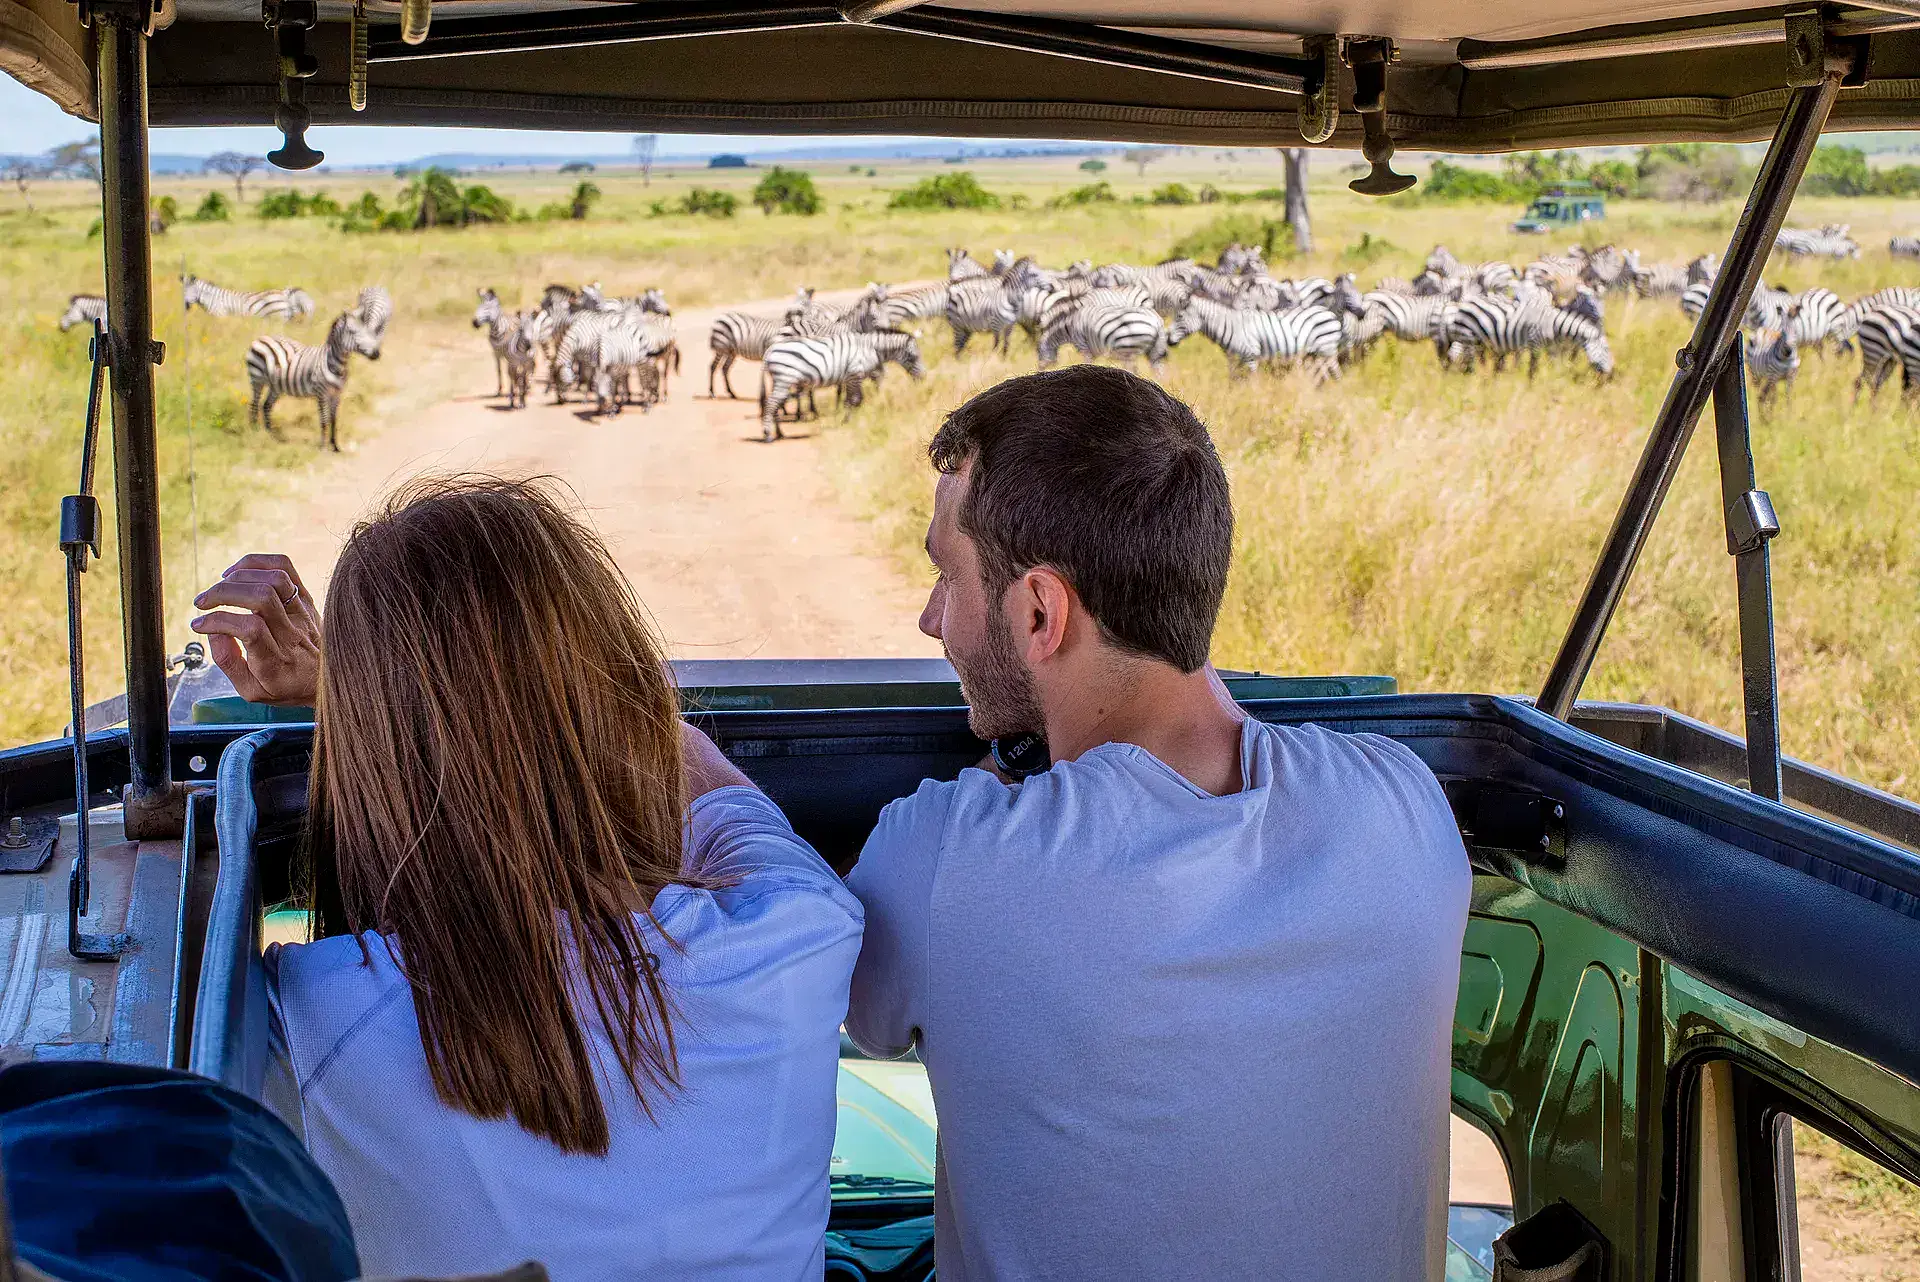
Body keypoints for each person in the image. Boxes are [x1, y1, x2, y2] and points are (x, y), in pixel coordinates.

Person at [842, 366, 1471, 1281]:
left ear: (1040, 610)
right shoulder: (1405, 804)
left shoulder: (957, 856)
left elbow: (858, 1013)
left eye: (948, 573)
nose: (931, 615)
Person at [189, 475, 862, 1282]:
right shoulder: (800, 932)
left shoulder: (301, 1020)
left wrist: (367, 689)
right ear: (621, 678)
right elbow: (700, 770)